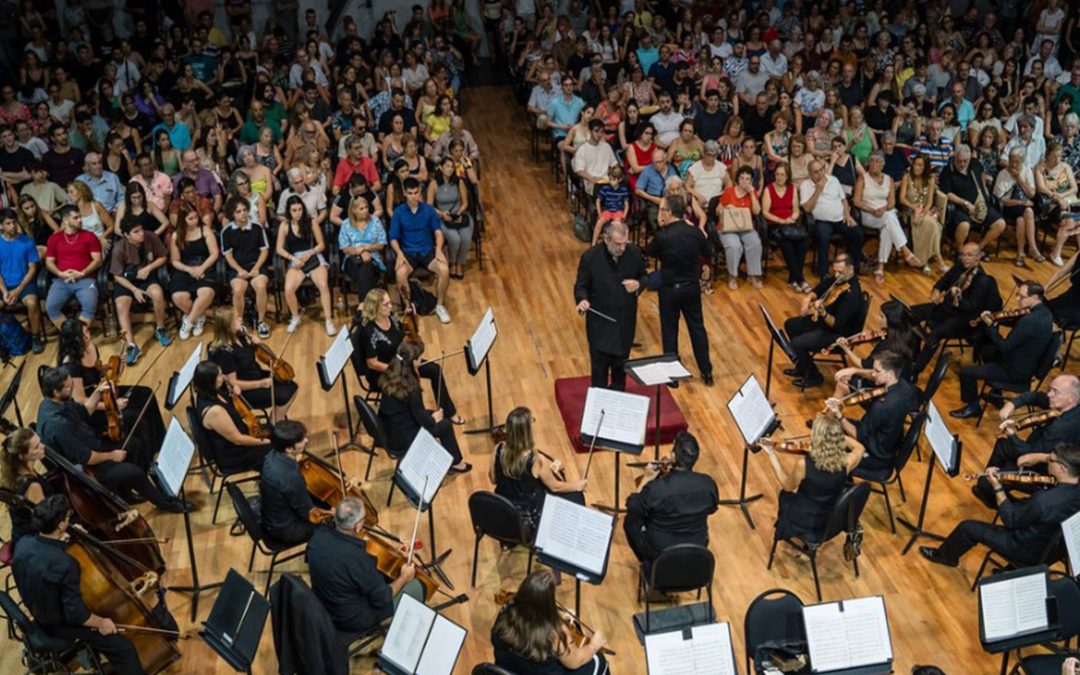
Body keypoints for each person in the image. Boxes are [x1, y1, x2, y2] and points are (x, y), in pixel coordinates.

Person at [12, 495, 146, 675]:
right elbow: (77, 615)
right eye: (68, 517)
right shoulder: (65, 564)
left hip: (37, 610)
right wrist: (101, 623)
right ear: (61, 525)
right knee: (123, 648)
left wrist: (62, 540)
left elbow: (43, 563)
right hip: (58, 624)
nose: (69, 520)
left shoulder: (23, 543)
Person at [35, 366, 189, 513]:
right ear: (56, 391)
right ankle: (166, 504)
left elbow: (85, 412)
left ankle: (125, 493)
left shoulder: (58, 401)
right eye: (68, 387)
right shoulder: (58, 425)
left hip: (92, 444)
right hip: (88, 469)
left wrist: (97, 392)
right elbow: (86, 457)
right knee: (135, 472)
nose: (72, 389)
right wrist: (112, 455)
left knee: (135, 444)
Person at [920, 442, 1080, 568]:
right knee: (1014, 504)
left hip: (1026, 548)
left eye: (1050, 460)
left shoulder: (1043, 501)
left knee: (967, 528)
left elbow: (1011, 520)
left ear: (1063, 468)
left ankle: (945, 557)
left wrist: (997, 487)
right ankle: (1009, 571)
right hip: (1051, 548)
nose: (1047, 462)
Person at [307, 497, 424, 639]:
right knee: (417, 587)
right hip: (350, 619)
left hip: (323, 602)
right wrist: (405, 576)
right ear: (356, 526)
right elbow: (383, 598)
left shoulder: (317, 536)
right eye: (363, 518)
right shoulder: (359, 560)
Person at [56, 318, 167, 462]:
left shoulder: (91, 347)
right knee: (135, 416)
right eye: (82, 336)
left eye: (87, 332)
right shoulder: (70, 366)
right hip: (92, 409)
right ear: (73, 340)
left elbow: (98, 371)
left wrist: (114, 365)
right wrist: (114, 405)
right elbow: (82, 402)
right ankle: (149, 457)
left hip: (104, 392)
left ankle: (162, 442)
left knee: (147, 394)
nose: (88, 337)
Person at [352, 288, 463, 423]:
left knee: (435, 370)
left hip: (403, 361)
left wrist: (415, 355)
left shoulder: (391, 317)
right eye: (386, 305)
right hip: (383, 373)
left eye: (389, 303)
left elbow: (404, 336)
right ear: (376, 308)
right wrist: (402, 369)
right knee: (413, 384)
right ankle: (423, 422)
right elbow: (372, 363)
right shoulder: (369, 331)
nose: (390, 306)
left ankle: (449, 412)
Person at [951, 281, 1056, 420]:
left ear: (1035, 297)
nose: (1017, 299)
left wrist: (992, 327)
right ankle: (997, 396)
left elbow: (1005, 347)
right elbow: (1017, 320)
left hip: (1014, 370)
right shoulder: (1045, 313)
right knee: (987, 351)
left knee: (966, 372)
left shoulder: (1029, 321)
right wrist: (996, 317)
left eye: (1022, 297)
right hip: (1028, 363)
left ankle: (973, 406)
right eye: (1017, 295)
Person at [972, 374, 1080, 507]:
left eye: (1055, 392)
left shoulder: (1062, 427)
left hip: (1046, 467)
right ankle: (990, 487)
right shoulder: (1066, 404)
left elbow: (1031, 454)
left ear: (1071, 398)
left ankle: (996, 494)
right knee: (1002, 445)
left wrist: (1011, 434)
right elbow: (1034, 396)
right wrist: (1012, 404)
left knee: (984, 481)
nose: (1049, 395)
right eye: (1050, 389)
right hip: (1038, 448)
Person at [760, 413, 865, 541]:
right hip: (829, 519)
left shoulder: (803, 465)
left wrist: (771, 454)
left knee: (783, 493)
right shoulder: (847, 463)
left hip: (805, 521)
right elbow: (859, 448)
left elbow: (787, 486)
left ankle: (797, 533)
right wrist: (835, 436)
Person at [624, 431, 719, 569]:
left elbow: (633, 506)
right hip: (696, 547)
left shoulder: (657, 489)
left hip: (659, 551)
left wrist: (647, 478)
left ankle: (649, 566)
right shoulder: (708, 484)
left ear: (673, 456)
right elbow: (712, 508)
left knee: (630, 521)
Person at [645, 193, 713, 385]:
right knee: (697, 329)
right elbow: (708, 251)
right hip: (691, 288)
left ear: (668, 212)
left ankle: (672, 375)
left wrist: (660, 227)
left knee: (669, 331)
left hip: (669, 289)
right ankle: (706, 372)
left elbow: (650, 252)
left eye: (662, 209)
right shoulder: (694, 232)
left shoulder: (663, 235)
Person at [491, 569, 609, 675]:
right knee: (599, 662)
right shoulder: (555, 634)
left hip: (507, 670)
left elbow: (530, 616)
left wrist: (560, 615)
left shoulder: (505, 612)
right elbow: (575, 662)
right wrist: (593, 646)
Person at [573, 220, 646, 391]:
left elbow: (644, 276)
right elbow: (581, 286)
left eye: (625, 243)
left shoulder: (634, 253)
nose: (622, 248)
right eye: (617, 244)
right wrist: (582, 300)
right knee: (599, 376)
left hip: (624, 325)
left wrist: (638, 285)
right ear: (606, 239)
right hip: (600, 326)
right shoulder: (590, 257)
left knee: (620, 375)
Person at [490, 407, 587, 533]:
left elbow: (493, 479)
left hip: (505, 507)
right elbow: (555, 487)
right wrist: (576, 485)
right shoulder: (535, 459)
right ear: (527, 431)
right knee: (576, 496)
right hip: (529, 515)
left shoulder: (498, 448)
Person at [377, 340, 470, 472]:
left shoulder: (390, 373)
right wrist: (434, 419)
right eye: (420, 358)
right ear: (414, 362)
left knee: (433, 413)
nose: (422, 360)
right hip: (404, 439)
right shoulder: (411, 386)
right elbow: (422, 420)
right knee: (445, 424)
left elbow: (415, 412)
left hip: (390, 429)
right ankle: (456, 463)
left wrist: (432, 416)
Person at [827, 352, 920, 473]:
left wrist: (839, 415)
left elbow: (857, 434)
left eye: (877, 371)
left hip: (875, 456)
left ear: (890, 374)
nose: (873, 374)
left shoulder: (881, 407)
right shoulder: (905, 387)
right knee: (831, 427)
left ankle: (838, 480)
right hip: (889, 444)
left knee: (825, 450)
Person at [783, 254, 865, 388]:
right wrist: (808, 299)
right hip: (825, 324)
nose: (836, 275)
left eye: (840, 272)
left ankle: (814, 376)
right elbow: (819, 289)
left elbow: (837, 325)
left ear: (850, 268)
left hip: (837, 334)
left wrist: (823, 312)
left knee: (796, 344)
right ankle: (803, 366)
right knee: (791, 325)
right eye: (835, 271)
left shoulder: (852, 295)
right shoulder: (837, 280)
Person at [911, 242, 1002, 357]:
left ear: (978, 257)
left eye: (969, 255)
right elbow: (944, 280)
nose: (965, 258)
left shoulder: (982, 280)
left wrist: (957, 298)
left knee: (935, 334)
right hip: (947, 308)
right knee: (910, 313)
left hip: (962, 318)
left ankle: (916, 369)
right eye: (963, 255)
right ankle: (913, 352)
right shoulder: (959, 265)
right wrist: (936, 290)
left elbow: (970, 307)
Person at [209, 309, 299, 423]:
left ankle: (275, 420)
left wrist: (258, 343)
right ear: (228, 326)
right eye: (236, 319)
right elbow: (233, 383)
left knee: (291, 385)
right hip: (246, 392)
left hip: (257, 375)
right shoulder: (225, 353)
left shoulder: (241, 336)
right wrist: (261, 383)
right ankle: (275, 426)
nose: (241, 319)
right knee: (285, 394)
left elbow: (269, 355)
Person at [390, 177, 451, 324]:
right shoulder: (398, 213)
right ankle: (408, 308)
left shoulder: (429, 210)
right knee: (400, 273)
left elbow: (438, 232)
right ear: (404, 193)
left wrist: (439, 250)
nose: (413, 196)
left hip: (427, 251)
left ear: (420, 192)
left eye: (416, 193)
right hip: (408, 253)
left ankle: (440, 305)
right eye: (410, 193)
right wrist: (399, 254)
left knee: (444, 269)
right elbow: (393, 238)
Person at [854, 151, 922, 283]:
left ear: (883, 164)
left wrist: (883, 209)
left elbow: (891, 203)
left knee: (887, 228)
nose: (874, 164)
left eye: (877, 161)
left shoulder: (888, 179)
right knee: (890, 218)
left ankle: (880, 267)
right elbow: (856, 201)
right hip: (868, 214)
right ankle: (905, 250)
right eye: (872, 161)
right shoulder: (863, 178)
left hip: (885, 213)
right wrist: (872, 210)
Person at [259, 420, 330, 547]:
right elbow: (308, 513)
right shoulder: (289, 477)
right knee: (336, 527)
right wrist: (334, 513)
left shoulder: (272, 455)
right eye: (301, 440)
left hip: (272, 515)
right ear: (288, 448)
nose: (306, 441)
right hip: (286, 528)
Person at [832, 300, 923, 398]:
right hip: (902, 383)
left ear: (891, 320)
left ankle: (829, 412)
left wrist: (845, 349)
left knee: (842, 385)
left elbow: (863, 366)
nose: (879, 319)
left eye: (882, 317)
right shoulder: (908, 336)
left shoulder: (886, 346)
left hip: (886, 388)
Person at [109, 221, 171, 364]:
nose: (141, 233)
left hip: (146, 277)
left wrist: (148, 268)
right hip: (127, 282)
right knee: (121, 305)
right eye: (136, 232)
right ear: (126, 235)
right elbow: (116, 276)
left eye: (141, 229)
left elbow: (163, 257)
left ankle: (160, 327)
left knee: (157, 293)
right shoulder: (119, 248)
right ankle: (131, 345)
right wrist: (134, 290)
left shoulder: (151, 237)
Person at [275, 195, 336, 336]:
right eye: (294, 210)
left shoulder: (311, 222)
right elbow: (279, 249)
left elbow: (321, 245)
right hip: (296, 258)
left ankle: (328, 320)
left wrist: (310, 253)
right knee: (288, 288)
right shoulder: (284, 226)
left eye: (300, 209)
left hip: (312, 256)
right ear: (289, 212)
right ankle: (295, 317)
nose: (298, 213)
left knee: (323, 285)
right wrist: (292, 258)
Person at [801, 159, 863, 279]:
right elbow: (807, 209)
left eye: (821, 170)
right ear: (810, 174)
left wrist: (847, 214)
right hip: (821, 222)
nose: (820, 173)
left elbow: (844, 199)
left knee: (858, 234)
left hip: (840, 219)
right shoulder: (805, 185)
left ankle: (851, 269)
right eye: (815, 172)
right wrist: (818, 189)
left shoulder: (833, 180)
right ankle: (823, 274)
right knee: (823, 238)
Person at [220, 196, 272, 338]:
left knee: (260, 286)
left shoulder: (257, 227)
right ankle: (240, 322)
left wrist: (256, 267)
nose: (243, 214)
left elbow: (264, 251)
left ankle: (261, 322)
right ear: (232, 214)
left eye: (244, 210)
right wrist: (239, 270)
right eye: (238, 211)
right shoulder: (227, 232)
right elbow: (228, 256)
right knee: (238, 289)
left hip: (256, 265)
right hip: (238, 268)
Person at [939, 144, 1007, 251]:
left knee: (1000, 224)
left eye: (965, 161)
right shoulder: (947, 171)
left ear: (970, 157)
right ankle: (960, 251)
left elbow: (982, 175)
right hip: (961, 208)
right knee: (964, 225)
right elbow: (947, 193)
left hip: (981, 204)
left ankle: (979, 248)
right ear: (955, 157)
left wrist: (985, 191)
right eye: (959, 161)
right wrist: (965, 203)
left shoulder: (975, 164)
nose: (962, 164)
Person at [44, 204, 102, 329]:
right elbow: (49, 262)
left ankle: (79, 338)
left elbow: (98, 260)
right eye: (75, 218)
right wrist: (60, 273)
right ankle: (71, 336)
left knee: (89, 305)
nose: (80, 220)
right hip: (62, 280)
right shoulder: (54, 239)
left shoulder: (89, 236)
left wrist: (82, 273)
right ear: (65, 220)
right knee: (51, 307)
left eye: (80, 217)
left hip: (85, 279)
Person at [168, 202, 219, 341]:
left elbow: (214, 253)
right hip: (185, 268)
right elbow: (175, 261)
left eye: (196, 217)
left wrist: (201, 268)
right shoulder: (176, 236)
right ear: (182, 220)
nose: (194, 221)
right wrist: (189, 270)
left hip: (204, 266)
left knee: (206, 292)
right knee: (178, 297)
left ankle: (189, 321)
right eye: (190, 219)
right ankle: (199, 316)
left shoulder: (205, 230)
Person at [0, 207, 43, 352]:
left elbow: (32, 269)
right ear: (1, 225)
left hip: (24, 283)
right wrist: (5, 291)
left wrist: (18, 291)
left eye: (14, 222)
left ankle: (35, 337)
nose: (12, 226)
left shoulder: (27, 241)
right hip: (4, 285)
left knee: (32, 303)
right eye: (8, 223)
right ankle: (6, 341)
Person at [762, 162, 809, 292]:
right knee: (787, 244)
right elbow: (765, 212)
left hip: (790, 223)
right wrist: (780, 221)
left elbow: (796, 210)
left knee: (803, 242)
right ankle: (800, 279)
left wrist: (791, 219)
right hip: (775, 225)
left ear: (788, 176)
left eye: (783, 175)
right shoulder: (768, 189)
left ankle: (792, 279)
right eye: (777, 174)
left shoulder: (792, 188)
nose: (779, 177)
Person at [1, 429, 53, 544]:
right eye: (36, 447)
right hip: (32, 539)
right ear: (22, 456)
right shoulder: (33, 486)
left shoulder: (18, 471)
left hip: (24, 531)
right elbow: (47, 521)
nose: (42, 446)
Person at [994, 146, 1043, 267]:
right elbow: (1003, 200)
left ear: (1022, 161)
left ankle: (1021, 253)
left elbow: (1032, 193)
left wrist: (1019, 179)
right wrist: (1021, 203)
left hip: (1023, 209)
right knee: (1028, 211)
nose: (1013, 164)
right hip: (1008, 208)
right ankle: (1033, 248)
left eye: (1017, 162)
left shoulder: (1027, 171)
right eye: (1011, 161)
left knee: (1021, 220)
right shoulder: (1003, 174)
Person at [716, 165, 763, 289]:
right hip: (728, 227)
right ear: (738, 179)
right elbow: (717, 210)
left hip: (746, 227)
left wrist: (752, 193)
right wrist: (728, 208)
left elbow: (757, 212)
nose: (744, 181)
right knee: (734, 246)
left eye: (748, 179)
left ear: (751, 181)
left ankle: (752, 274)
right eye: (742, 178)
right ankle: (732, 275)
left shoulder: (753, 193)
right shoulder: (729, 192)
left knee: (755, 242)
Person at [427, 155, 472, 281]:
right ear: (441, 168)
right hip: (442, 217)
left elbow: (465, 203)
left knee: (465, 238)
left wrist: (457, 213)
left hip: (459, 215)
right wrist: (442, 214)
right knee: (454, 238)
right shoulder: (434, 184)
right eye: (447, 166)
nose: (450, 169)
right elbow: (429, 206)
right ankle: (452, 262)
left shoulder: (459, 182)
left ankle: (459, 263)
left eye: (452, 167)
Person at [899, 155, 945, 275]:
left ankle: (926, 262)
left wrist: (923, 213)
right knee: (931, 225)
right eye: (915, 164)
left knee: (932, 225)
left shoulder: (930, 179)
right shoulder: (907, 177)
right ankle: (936, 261)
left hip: (924, 211)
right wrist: (914, 208)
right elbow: (902, 199)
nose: (916, 167)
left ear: (925, 167)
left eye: (920, 165)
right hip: (909, 210)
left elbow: (929, 201)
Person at [338, 196, 387, 302]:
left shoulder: (375, 221)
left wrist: (368, 247)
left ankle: (363, 308)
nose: (365, 211)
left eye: (366, 207)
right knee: (366, 272)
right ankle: (369, 309)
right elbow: (344, 248)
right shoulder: (346, 224)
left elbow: (382, 244)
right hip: (352, 260)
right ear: (353, 210)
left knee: (365, 270)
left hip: (373, 258)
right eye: (361, 209)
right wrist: (359, 251)